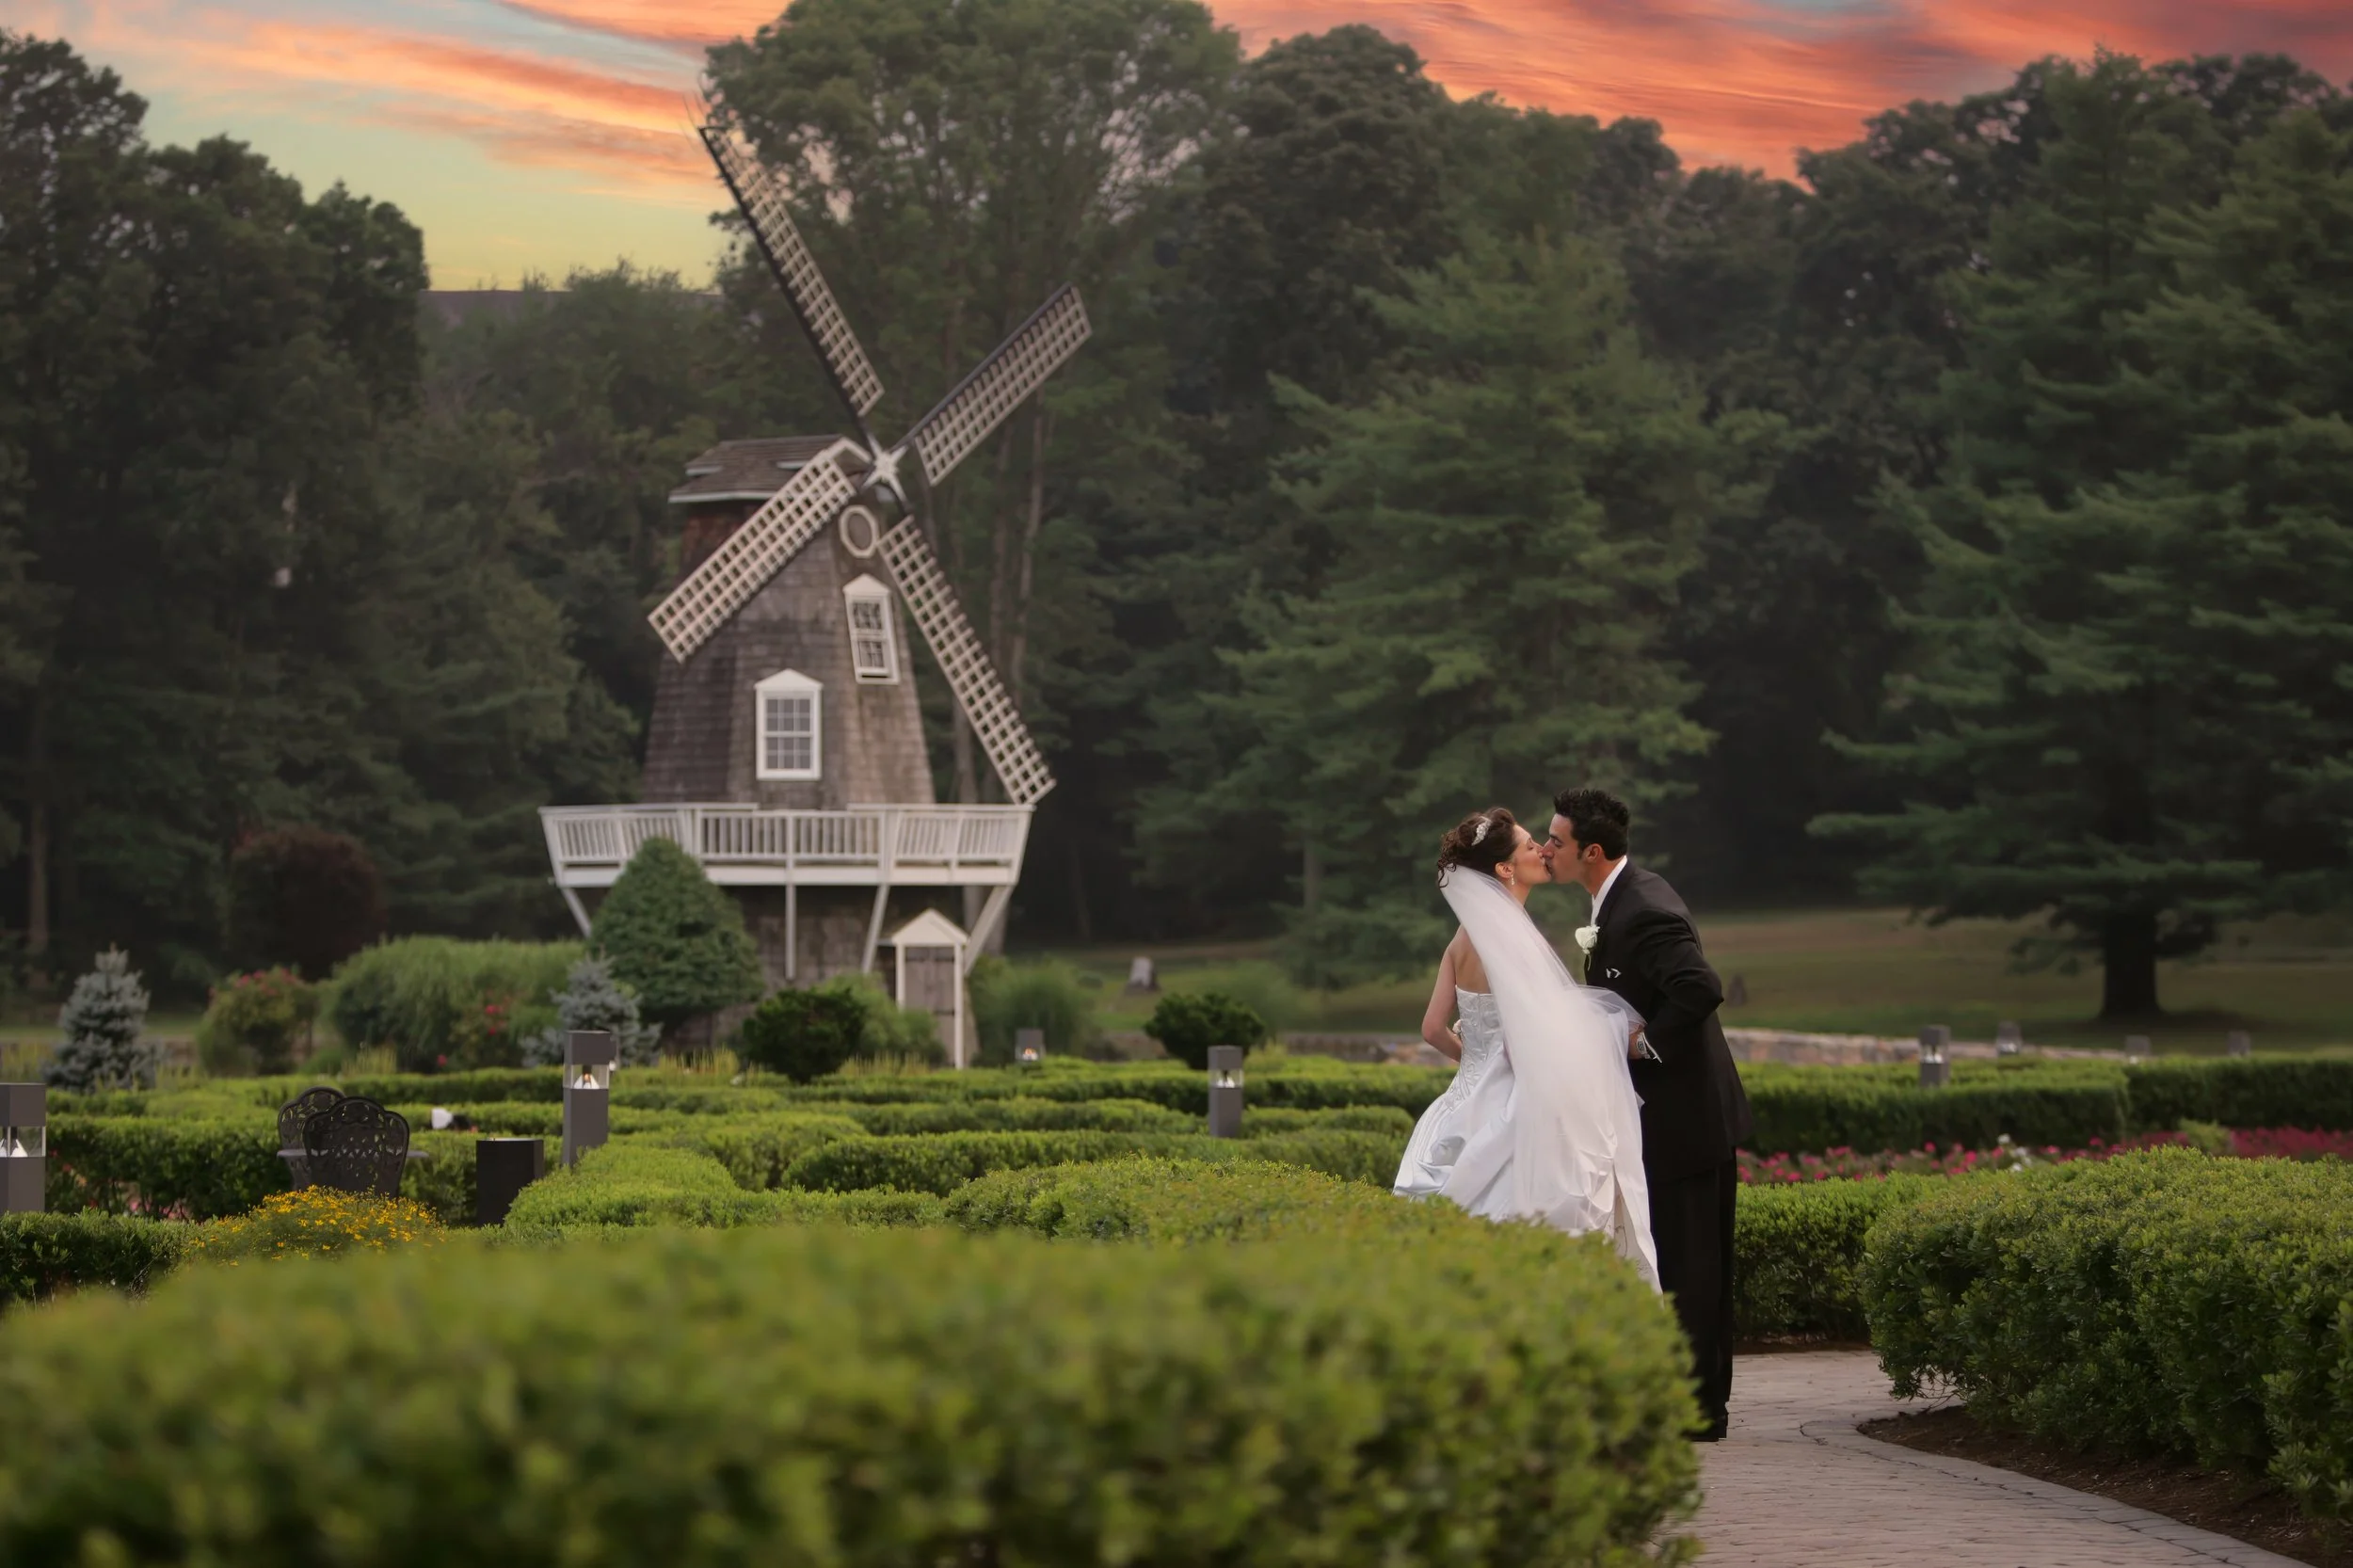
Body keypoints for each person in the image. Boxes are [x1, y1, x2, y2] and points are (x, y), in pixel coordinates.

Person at [1545, 786, 1753, 1442]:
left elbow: (1700, 987)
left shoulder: (1643, 910)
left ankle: (1700, 1413)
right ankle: (1693, 1402)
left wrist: (1645, 1043)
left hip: (1687, 1119)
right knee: (1683, 1262)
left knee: (1693, 1268)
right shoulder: (1624, 898)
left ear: (1592, 852)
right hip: (1671, 1118)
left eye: (1555, 841)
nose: (1546, 849)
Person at [1394, 806, 1658, 1287]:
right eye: (1530, 845)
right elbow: (1524, 1044)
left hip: (1458, 1104)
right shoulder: (1515, 941)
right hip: (1510, 1111)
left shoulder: (1461, 939)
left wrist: (1475, 1062)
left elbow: (1433, 1028)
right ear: (1505, 869)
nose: (1543, 850)